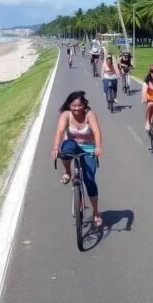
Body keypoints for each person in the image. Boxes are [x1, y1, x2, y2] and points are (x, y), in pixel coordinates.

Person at [51, 91, 103, 227]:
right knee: (67, 148)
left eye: (79, 105)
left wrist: (98, 147)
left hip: (88, 149)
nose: (76, 108)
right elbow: (60, 131)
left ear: (84, 105)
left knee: (89, 180)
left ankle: (96, 212)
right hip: (72, 146)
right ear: (69, 105)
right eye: (73, 106)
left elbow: (97, 131)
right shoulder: (66, 115)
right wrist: (55, 148)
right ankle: (67, 171)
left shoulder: (90, 114)